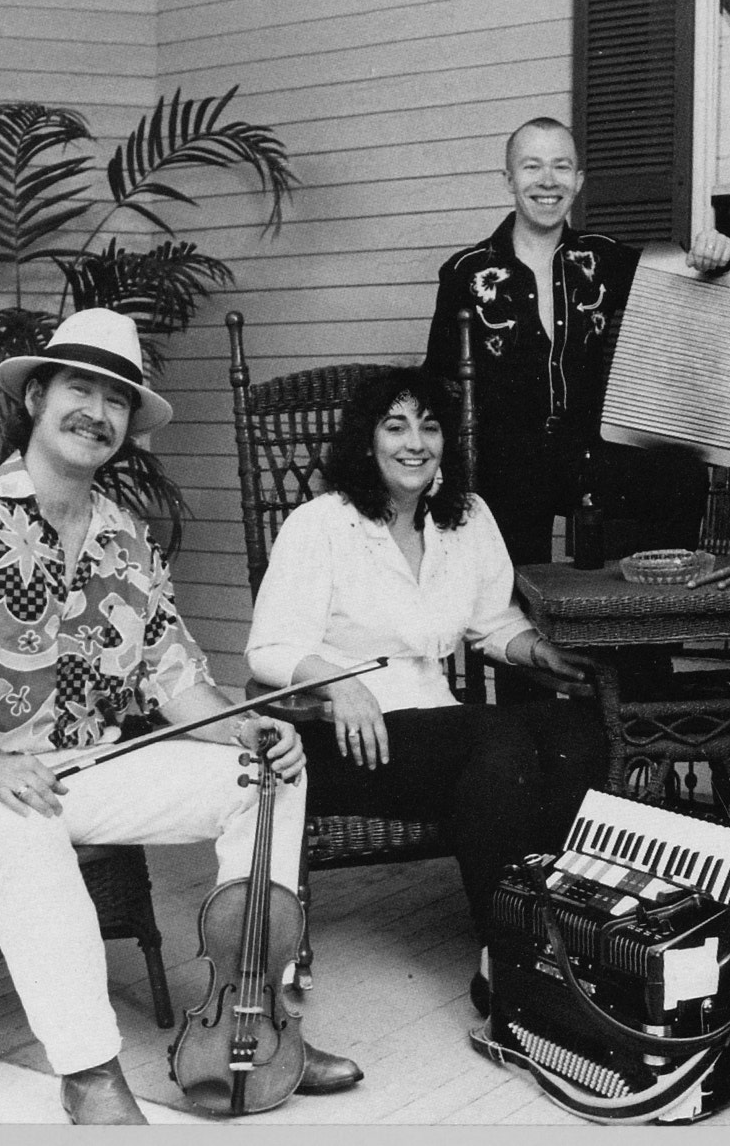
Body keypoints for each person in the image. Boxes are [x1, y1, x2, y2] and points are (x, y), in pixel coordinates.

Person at [0, 309, 363, 1125]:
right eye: (79, 388)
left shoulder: (127, 541)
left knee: (265, 772)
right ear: (36, 396)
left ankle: (258, 1019)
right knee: (20, 820)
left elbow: (178, 685)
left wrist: (249, 729)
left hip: (92, 770)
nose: (96, 412)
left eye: (116, 400)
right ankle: (90, 1074)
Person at [244, 364, 608, 1012]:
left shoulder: (464, 520)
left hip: (438, 730)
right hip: (342, 739)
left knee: (576, 728)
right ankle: (516, 964)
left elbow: (492, 620)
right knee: (497, 738)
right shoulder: (320, 525)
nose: (414, 442)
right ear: (366, 442)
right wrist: (339, 687)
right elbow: (268, 648)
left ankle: (551, 944)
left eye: (429, 426)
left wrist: (539, 650)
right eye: (395, 426)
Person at [422, 116, 730, 568]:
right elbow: (438, 382)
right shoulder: (466, 272)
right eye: (532, 167)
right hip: (504, 461)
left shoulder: (601, 256)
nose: (547, 181)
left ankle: (646, 620)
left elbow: (693, 281)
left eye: (562, 167)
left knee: (677, 475)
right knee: (517, 590)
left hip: (589, 449)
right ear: (508, 179)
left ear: (579, 180)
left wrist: (717, 252)